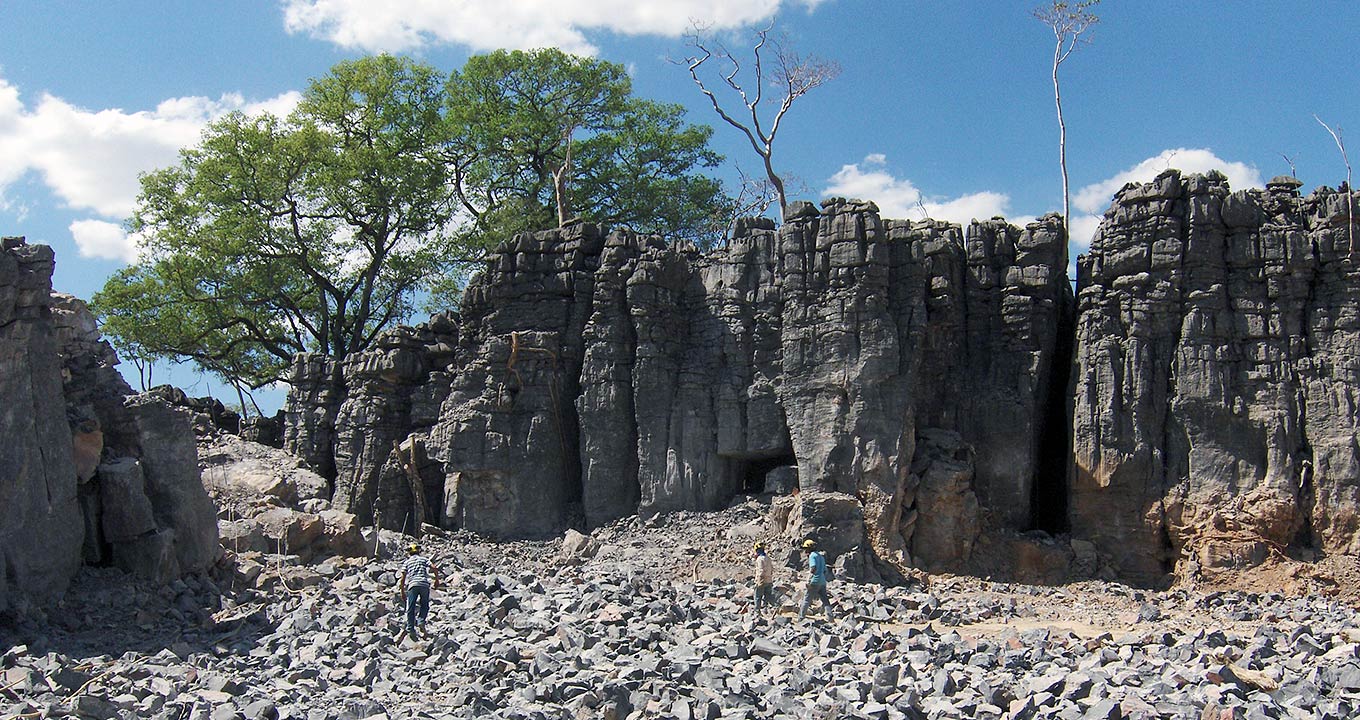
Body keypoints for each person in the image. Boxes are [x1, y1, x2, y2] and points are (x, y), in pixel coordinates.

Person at [400, 543, 439, 639]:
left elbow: (403, 577)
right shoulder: (424, 559)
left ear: (409, 553)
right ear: (418, 551)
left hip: (413, 585)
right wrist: (437, 580)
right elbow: (434, 567)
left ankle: (411, 629)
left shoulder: (407, 562)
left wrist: (402, 591)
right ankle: (421, 621)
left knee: (411, 607)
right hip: (424, 584)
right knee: (424, 605)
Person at [798, 538, 831, 619]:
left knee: (806, 599)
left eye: (806, 549)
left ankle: (801, 617)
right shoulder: (821, 556)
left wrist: (808, 580)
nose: (805, 551)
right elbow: (824, 571)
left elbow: (813, 568)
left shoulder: (812, 556)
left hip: (814, 581)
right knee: (825, 600)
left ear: (810, 548)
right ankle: (830, 618)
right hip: (822, 581)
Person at [752, 542, 775, 615]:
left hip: (762, 580)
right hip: (769, 580)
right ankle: (768, 611)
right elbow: (771, 569)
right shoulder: (768, 558)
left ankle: (757, 612)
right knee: (767, 597)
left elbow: (760, 571)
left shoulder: (760, 559)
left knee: (757, 596)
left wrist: (759, 581)